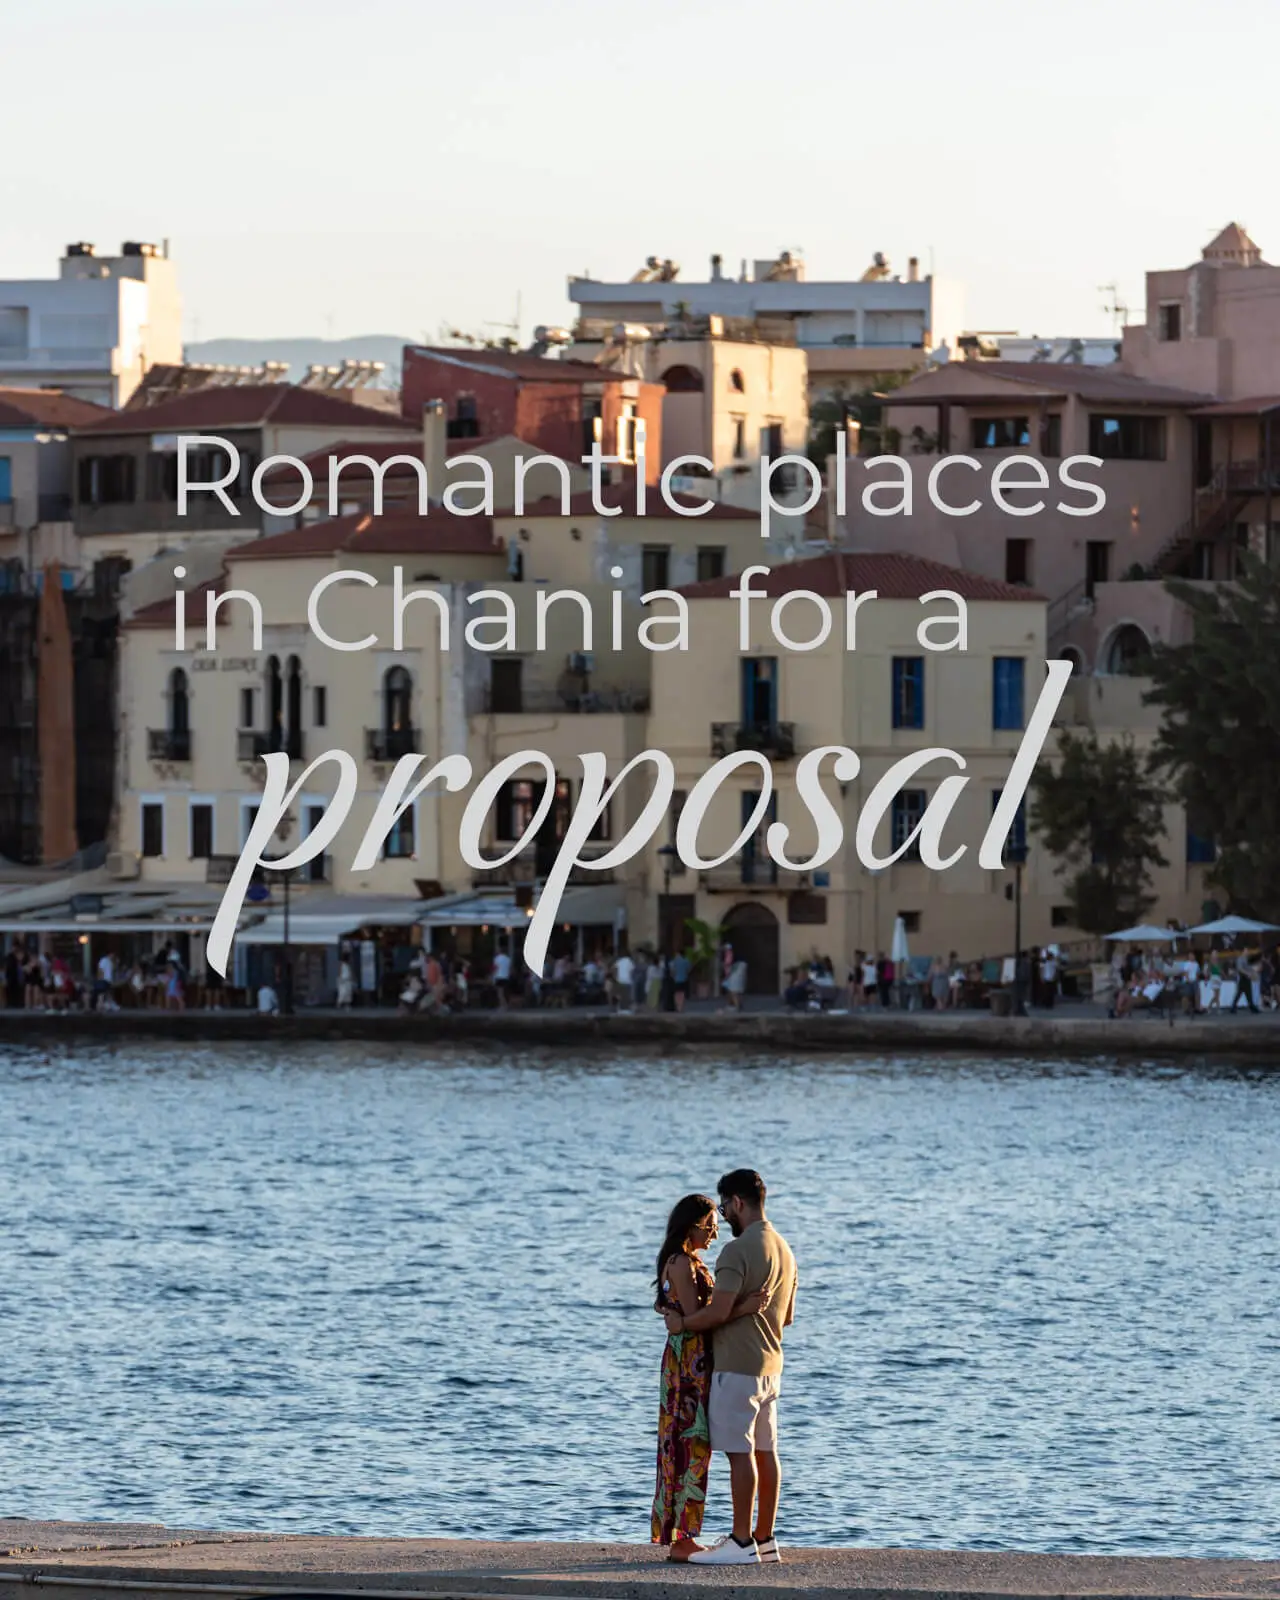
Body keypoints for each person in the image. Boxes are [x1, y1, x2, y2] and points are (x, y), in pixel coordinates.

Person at [664, 1170, 798, 1566]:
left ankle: (741, 1541)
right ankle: (765, 1539)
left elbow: (717, 1313)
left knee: (740, 1454)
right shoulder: (785, 1249)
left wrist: (683, 1323)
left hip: (737, 1367)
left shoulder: (736, 1252)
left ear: (738, 1202)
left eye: (724, 1209)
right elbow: (788, 1317)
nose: (723, 1218)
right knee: (766, 1452)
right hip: (771, 1366)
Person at [650, 1195, 771, 1561]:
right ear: (692, 1227)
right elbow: (698, 1319)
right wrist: (743, 1308)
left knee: (691, 1445)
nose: (715, 1234)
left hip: (693, 1362)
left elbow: (686, 1314)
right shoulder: (682, 1263)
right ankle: (680, 1540)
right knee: (687, 1445)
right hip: (689, 1365)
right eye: (709, 1227)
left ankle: (682, 1536)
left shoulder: (687, 1262)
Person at [493, 944, 513, 1008]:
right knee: (505, 992)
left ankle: (503, 1005)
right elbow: (510, 969)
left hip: (499, 976)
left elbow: (495, 968)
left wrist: (493, 976)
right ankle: (505, 1004)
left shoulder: (497, 958)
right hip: (506, 977)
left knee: (500, 993)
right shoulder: (508, 959)